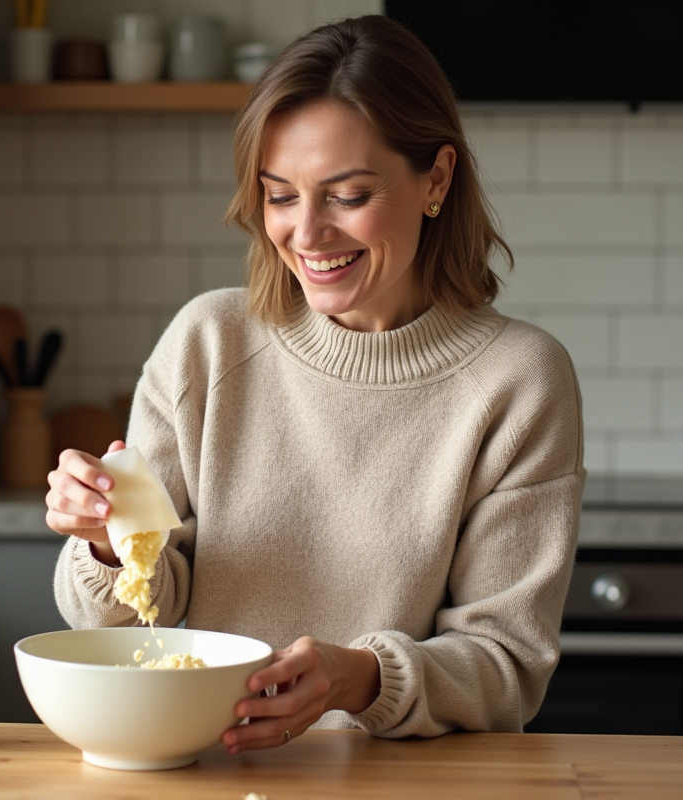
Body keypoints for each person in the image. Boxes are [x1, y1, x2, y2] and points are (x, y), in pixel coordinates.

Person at [46, 14, 584, 754]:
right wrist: (109, 546)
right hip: (202, 770)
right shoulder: (209, 342)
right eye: (280, 195)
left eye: (347, 195)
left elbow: (507, 667)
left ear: (436, 178)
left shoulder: (519, 382)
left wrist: (360, 678)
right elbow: (126, 620)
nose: (306, 233)